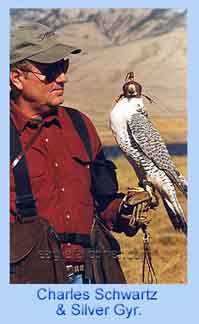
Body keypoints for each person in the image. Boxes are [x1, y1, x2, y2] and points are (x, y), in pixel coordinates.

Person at [10, 23, 154, 284]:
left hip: (92, 274)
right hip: (27, 280)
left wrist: (123, 211)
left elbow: (103, 202)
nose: (62, 78)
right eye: (49, 70)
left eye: (63, 67)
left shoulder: (81, 126)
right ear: (17, 77)